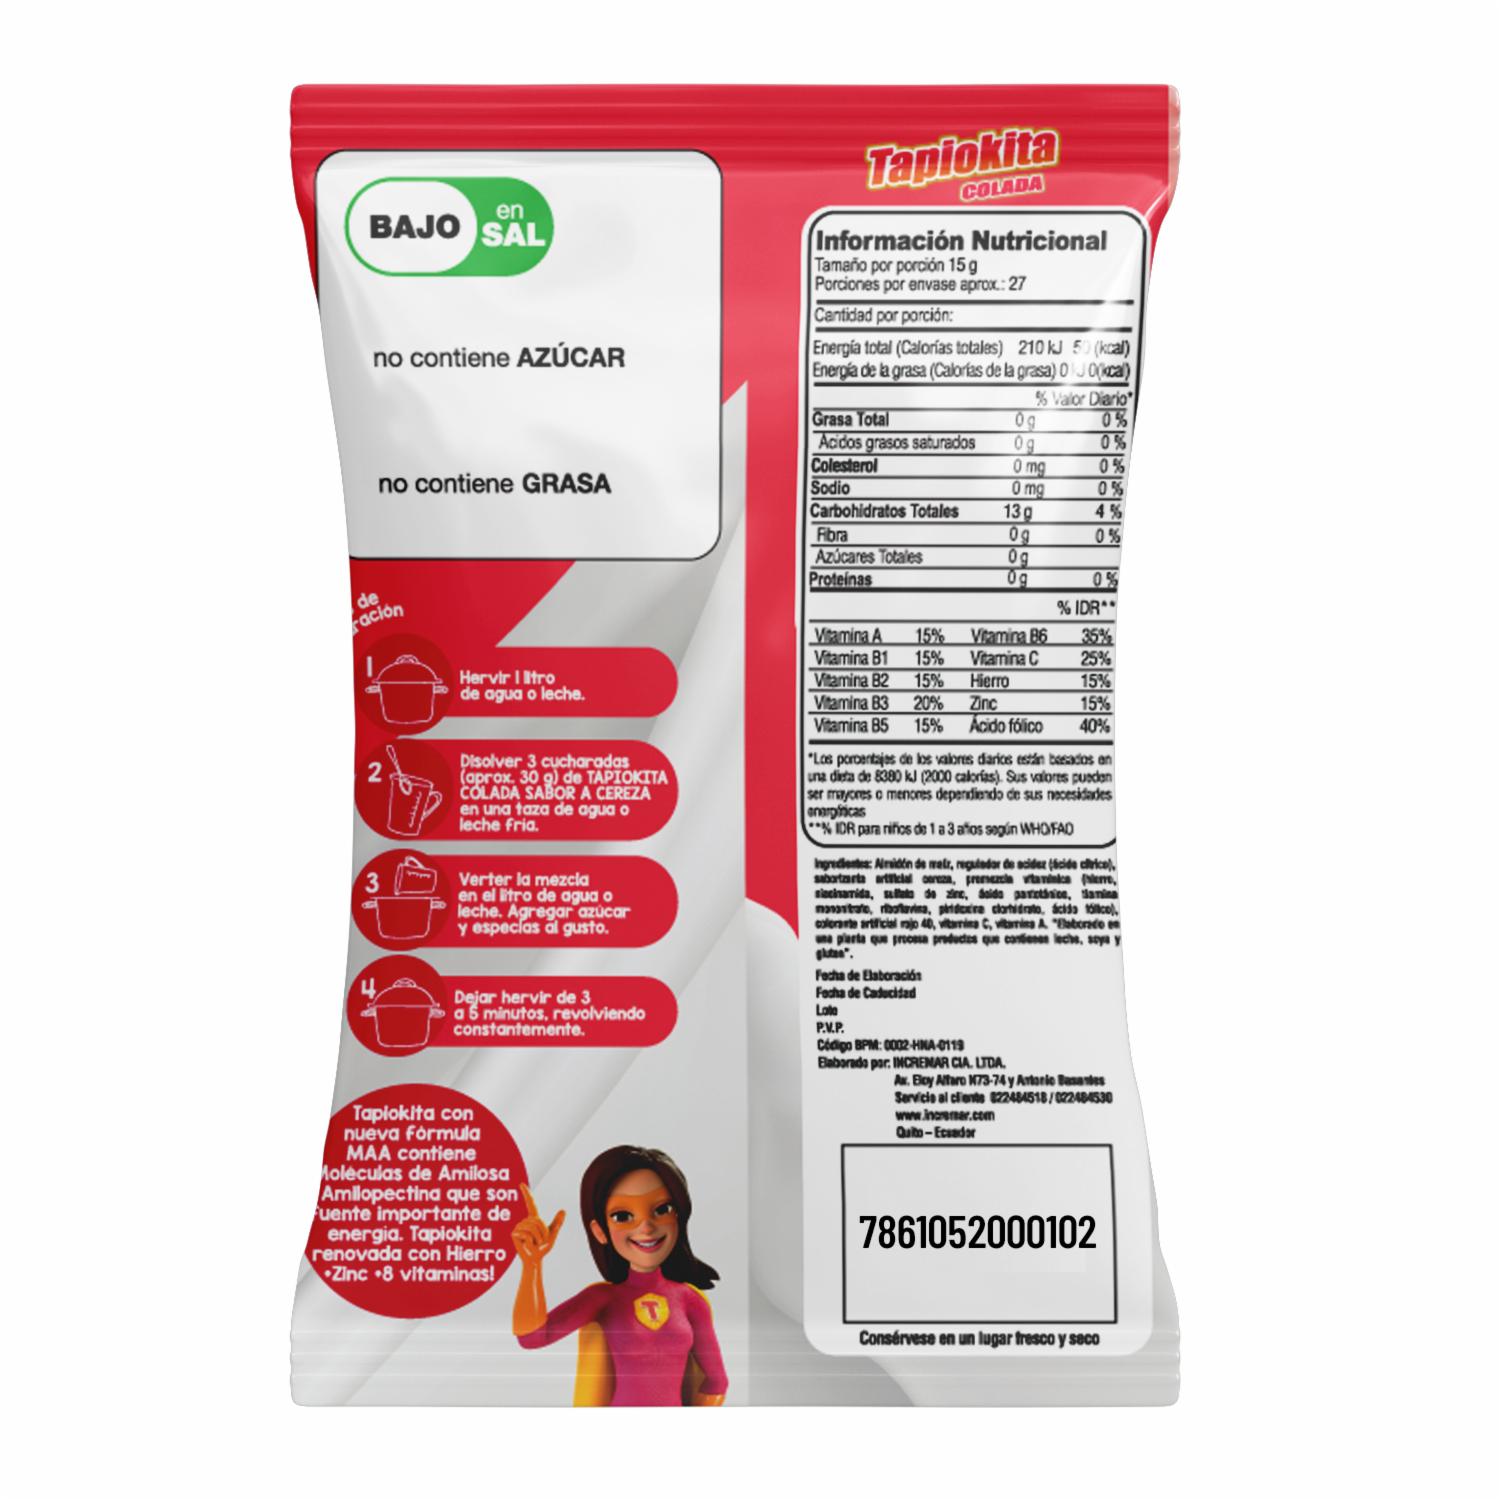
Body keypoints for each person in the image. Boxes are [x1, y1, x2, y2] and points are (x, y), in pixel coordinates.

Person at [511, 1145, 728, 1406]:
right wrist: (532, 1266)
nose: (646, 1227)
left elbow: (717, 1381)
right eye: (623, 1216)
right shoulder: (603, 1298)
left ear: (679, 1217)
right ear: (600, 1231)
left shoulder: (690, 1300)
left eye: (662, 1210)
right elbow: (532, 1337)